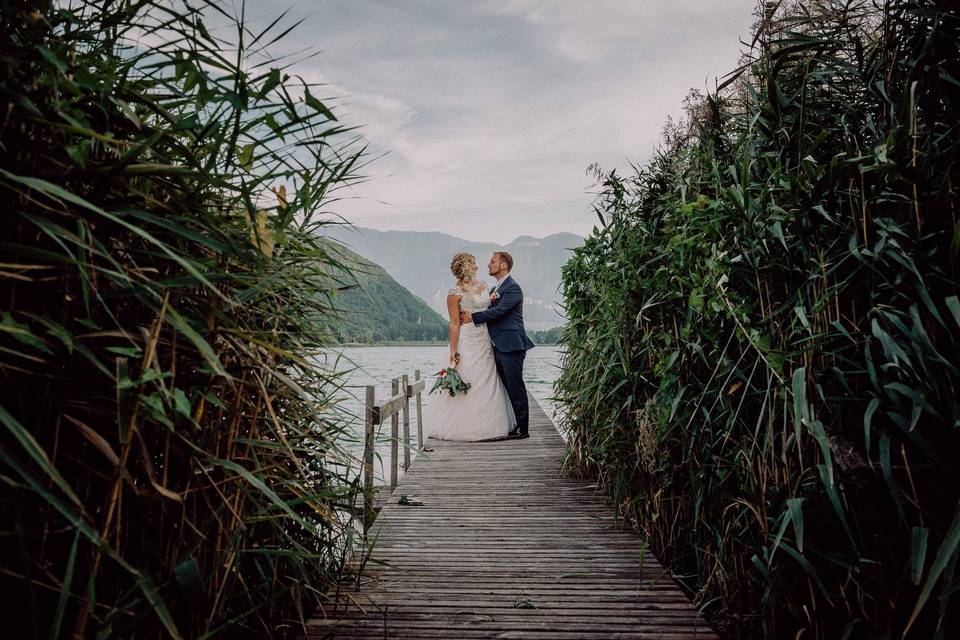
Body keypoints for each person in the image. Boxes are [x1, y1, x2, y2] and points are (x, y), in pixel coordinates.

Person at [424, 252, 515, 441]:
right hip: (467, 339)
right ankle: (464, 426)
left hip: (483, 338)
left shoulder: (483, 285)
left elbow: (491, 310)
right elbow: (454, 323)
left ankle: (490, 425)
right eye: (473, 263)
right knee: (469, 375)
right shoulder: (454, 294)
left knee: (486, 378)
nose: (477, 266)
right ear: (466, 266)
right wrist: (453, 351)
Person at [460, 251, 535, 439]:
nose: (488, 265)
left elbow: (500, 311)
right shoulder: (495, 290)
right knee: (505, 387)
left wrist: (473, 317)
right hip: (497, 345)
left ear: (503, 265)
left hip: (512, 345)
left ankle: (523, 430)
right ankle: (512, 424)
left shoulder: (513, 288)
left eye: (492, 262)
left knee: (515, 386)